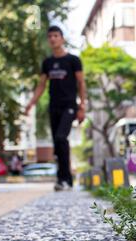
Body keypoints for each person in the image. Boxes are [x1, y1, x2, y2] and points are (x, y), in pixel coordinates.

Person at [25, 26, 86, 191]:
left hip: (69, 106)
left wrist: (82, 106)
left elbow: (81, 83)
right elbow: (41, 85)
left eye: (56, 36)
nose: (53, 39)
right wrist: (31, 103)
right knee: (58, 145)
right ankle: (64, 179)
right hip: (54, 107)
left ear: (62, 39)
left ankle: (65, 179)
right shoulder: (47, 63)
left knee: (61, 138)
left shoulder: (73, 60)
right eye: (50, 36)